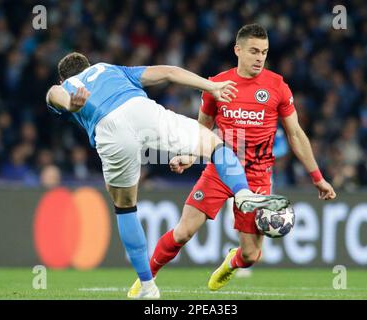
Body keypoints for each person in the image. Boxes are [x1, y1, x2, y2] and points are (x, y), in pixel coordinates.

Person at [45, 52, 290, 299]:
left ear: (63, 76)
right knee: (214, 144)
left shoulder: (66, 85)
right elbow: (169, 72)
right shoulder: (109, 69)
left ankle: (147, 287)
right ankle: (243, 192)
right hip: (140, 109)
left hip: (109, 129)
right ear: (88, 66)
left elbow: (54, 94)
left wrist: (70, 104)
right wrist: (211, 86)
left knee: (125, 207)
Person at [128, 24, 337, 296]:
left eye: (264, 52)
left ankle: (232, 262)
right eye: (253, 51)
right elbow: (202, 129)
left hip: (257, 175)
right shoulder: (216, 85)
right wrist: (191, 156)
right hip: (222, 167)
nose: (260, 57)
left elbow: (295, 134)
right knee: (182, 232)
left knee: (250, 255)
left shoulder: (277, 87)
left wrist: (317, 178)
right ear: (238, 50)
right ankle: (146, 280)